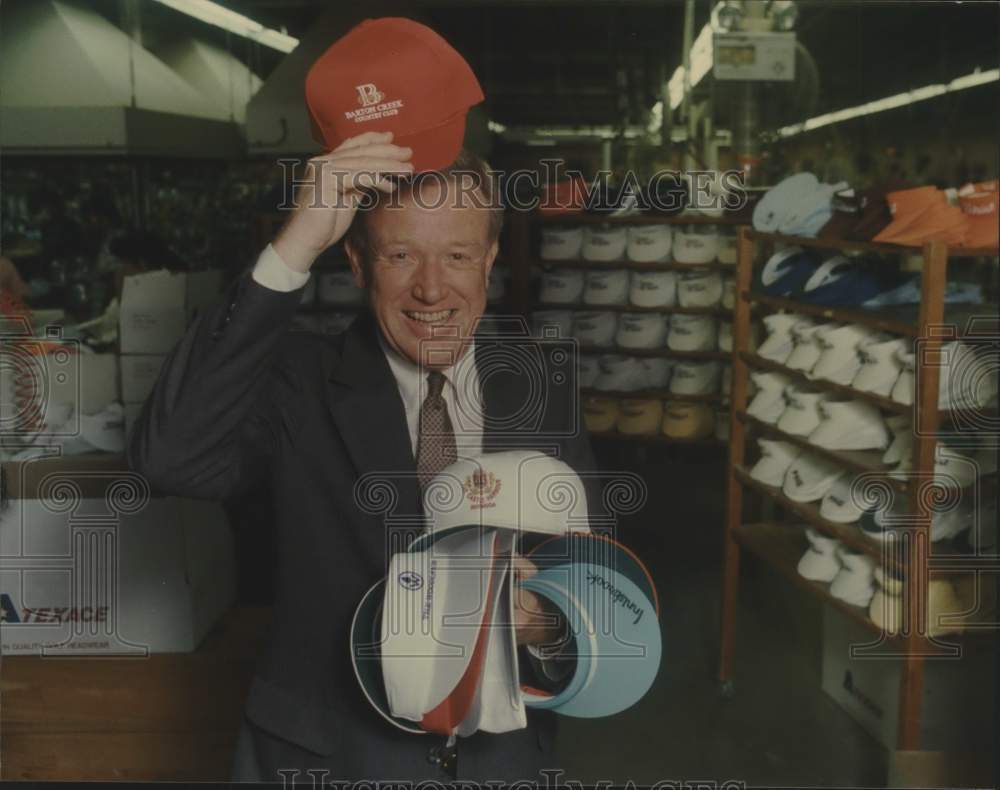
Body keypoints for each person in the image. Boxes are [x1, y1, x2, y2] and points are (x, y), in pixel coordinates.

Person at [127, 131, 599, 783]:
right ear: (355, 262)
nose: (430, 289)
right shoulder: (297, 382)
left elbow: (592, 583)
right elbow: (169, 457)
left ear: (489, 259)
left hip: (500, 765)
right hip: (329, 760)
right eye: (400, 255)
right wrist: (294, 246)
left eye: (457, 255)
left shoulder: (539, 389)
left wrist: (546, 622)